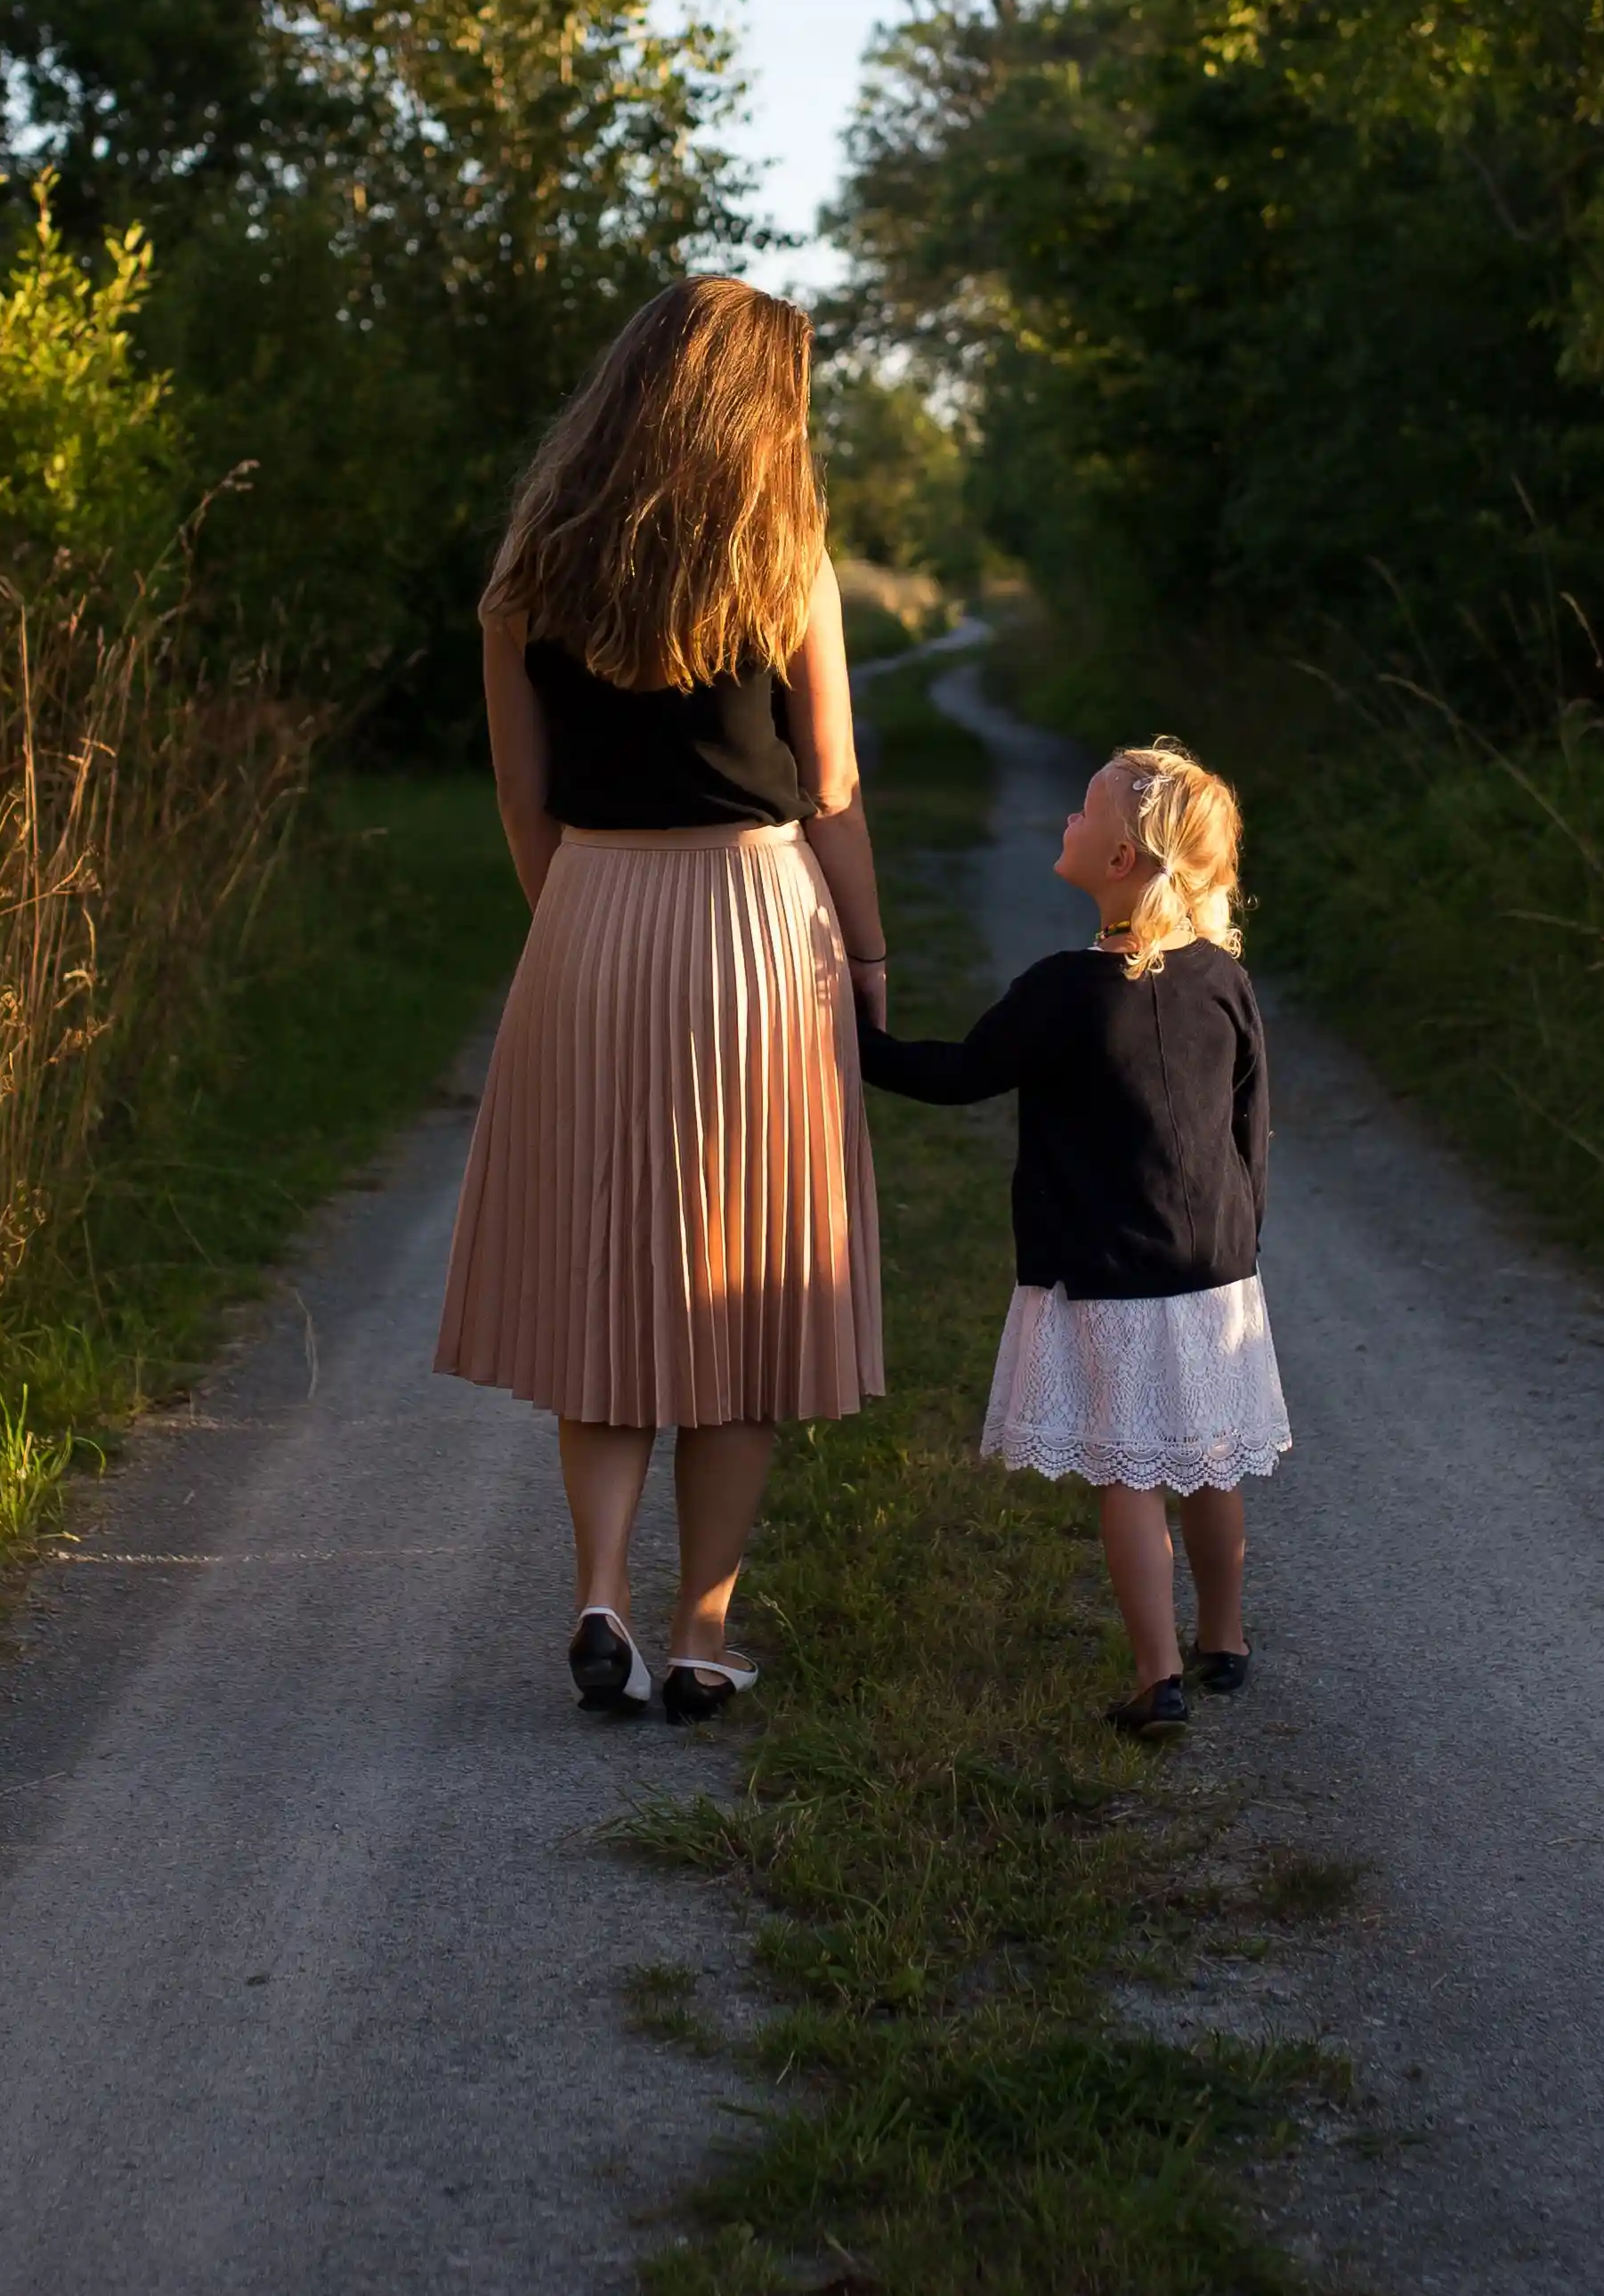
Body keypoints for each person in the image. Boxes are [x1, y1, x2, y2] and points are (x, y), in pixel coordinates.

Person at [436, 278, 890, 1723]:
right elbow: (829, 789)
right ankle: (701, 1631)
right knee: (741, 1280)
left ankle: (597, 1596)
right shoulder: (783, 556)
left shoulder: (531, 565)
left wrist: (575, 919)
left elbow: (520, 794)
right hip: (754, 920)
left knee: (609, 1274)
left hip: (589, 913)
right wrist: (869, 959)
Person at [855, 741, 1285, 1740]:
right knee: (1210, 1460)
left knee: (1129, 1473)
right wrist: (1242, 1240)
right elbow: (1250, 1122)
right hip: (1215, 1268)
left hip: (1108, 1268)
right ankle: (1225, 1639)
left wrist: (847, 1037)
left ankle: (1156, 1675)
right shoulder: (1223, 977)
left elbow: (959, 1072)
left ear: (1123, 859)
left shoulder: (1065, 989)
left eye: (1082, 812)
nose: (1066, 821)